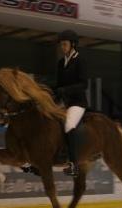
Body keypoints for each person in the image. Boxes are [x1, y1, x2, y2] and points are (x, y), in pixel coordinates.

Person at [55, 29, 88, 177]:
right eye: (61, 45)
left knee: (68, 124)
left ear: (72, 44)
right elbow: (58, 84)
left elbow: (83, 84)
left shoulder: (79, 60)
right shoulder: (61, 62)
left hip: (77, 103)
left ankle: (74, 164)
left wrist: (66, 90)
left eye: (65, 44)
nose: (62, 47)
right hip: (64, 101)